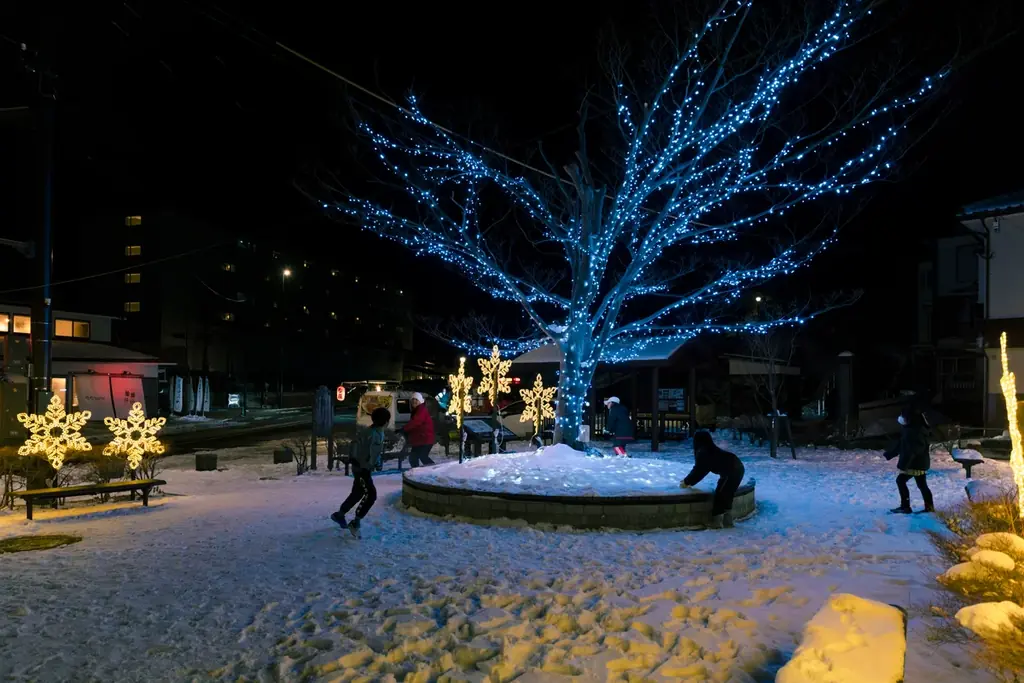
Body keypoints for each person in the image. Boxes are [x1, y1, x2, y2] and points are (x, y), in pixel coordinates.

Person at [332, 406, 388, 538]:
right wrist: (355, 460)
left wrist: (377, 462)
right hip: (362, 469)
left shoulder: (379, 432)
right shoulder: (369, 433)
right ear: (385, 422)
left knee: (357, 493)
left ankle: (339, 515)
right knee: (371, 495)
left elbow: (375, 451)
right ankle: (355, 522)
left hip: (365, 467)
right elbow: (355, 445)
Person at [680, 431, 745, 529]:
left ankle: (717, 522)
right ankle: (727, 521)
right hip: (736, 468)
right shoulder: (709, 449)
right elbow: (700, 469)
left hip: (732, 471)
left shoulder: (704, 452)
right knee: (725, 493)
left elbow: (699, 471)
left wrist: (687, 482)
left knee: (721, 494)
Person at [883, 405, 934, 514]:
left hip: (915, 463)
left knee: (901, 481)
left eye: (903, 416)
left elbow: (912, 451)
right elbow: (903, 445)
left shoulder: (914, 432)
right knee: (922, 485)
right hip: (919, 463)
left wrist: (904, 465)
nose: (901, 418)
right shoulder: (913, 428)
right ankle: (929, 507)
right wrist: (890, 454)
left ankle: (906, 507)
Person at [400, 392, 436, 467]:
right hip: (420, 440)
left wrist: (404, 428)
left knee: (422, 457)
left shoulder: (421, 410)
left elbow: (416, 422)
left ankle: (434, 470)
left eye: (416, 399)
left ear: (420, 401)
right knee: (414, 458)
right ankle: (416, 472)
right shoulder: (416, 410)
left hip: (425, 439)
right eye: (413, 399)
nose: (414, 401)